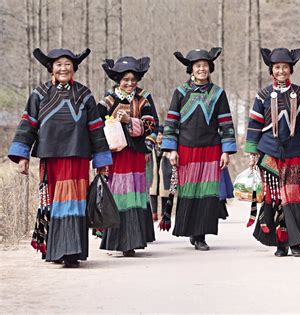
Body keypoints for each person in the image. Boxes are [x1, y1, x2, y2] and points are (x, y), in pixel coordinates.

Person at [8, 48, 112, 268]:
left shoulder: (84, 95)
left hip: (77, 157)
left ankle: (71, 252)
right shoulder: (39, 94)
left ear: (74, 68)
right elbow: (28, 125)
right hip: (51, 158)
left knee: (74, 203)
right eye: (58, 64)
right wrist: (22, 156)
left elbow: (96, 129)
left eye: (67, 64)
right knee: (53, 203)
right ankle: (56, 249)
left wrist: (101, 161)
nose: (63, 68)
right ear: (51, 69)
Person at [161, 47, 237, 250]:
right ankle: (191, 231)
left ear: (209, 68)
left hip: (211, 149)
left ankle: (201, 235)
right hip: (186, 149)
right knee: (189, 191)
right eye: (198, 66)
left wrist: (226, 151)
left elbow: (226, 124)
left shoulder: (218, 94)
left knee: (207, 193)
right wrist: (171, 149)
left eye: (205, 66)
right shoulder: (180, 92)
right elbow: (171, 122)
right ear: (191, 69)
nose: (202, 69)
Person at [245, 47, 300, 257]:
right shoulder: (262, 95)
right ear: (271, 71)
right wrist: (252, 152)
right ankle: (280, 243)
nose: (281, 71)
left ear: (291, 70)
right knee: (274, 197)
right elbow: (254, 124)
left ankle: (295, 242)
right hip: (269, 152)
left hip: (295, 152)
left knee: (294, 196)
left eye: (285, 67)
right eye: (277, 68)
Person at [98, 56, 156, 256]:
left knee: (136, 194)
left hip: (137, 154)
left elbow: (152, 124)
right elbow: (96, 124)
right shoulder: (107, 100)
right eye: (125, 79)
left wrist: (130, 120)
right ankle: (119, 240)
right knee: (119, 194)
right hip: (117, 156)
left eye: (133, 79)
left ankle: (134, 239)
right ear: (117, 80)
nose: (130, 83)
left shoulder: (144, 98)